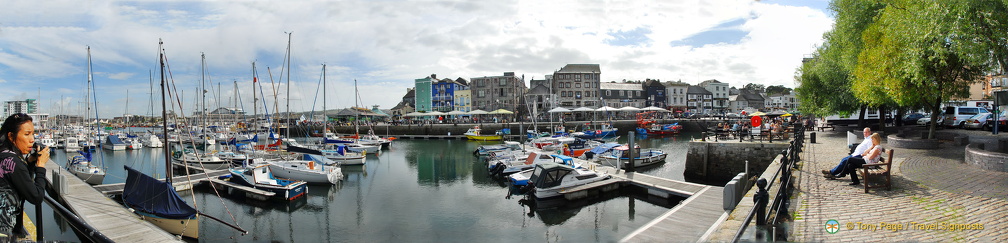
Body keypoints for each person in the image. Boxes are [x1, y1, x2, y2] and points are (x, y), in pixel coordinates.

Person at [0, 113, 48, 239]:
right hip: (4, 232)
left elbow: (20, 180)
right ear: (11, 136)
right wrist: (41, 166)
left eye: (33, 134)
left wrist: (31, 161)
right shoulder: (14, 162)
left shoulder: (4, 156)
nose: (32, 139)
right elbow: (36, 196)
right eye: (27, 134)